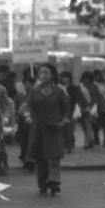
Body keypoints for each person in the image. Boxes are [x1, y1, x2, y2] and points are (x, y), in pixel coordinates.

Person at [24, 62, 70, 197]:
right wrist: (28, 117)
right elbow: (27, 106)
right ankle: (42, 183)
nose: (43, 75)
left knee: (54, 157)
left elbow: (66, 109)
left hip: (54, 129)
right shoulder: (34, 91)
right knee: (40, 158)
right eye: (41, 73)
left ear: (52, 75)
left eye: (46, 72)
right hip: (38, 129)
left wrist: (64, 121)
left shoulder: (59, 92)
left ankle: (54, 182)